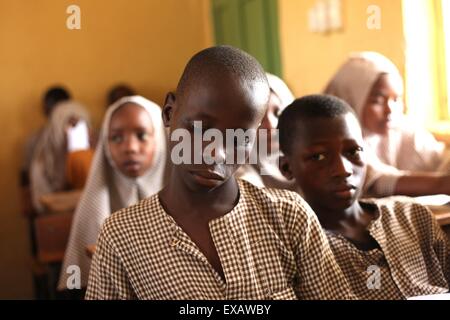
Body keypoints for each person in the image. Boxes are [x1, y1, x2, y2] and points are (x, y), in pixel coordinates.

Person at [85, 46, 353, 300]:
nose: (217, 154)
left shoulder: (289, 217)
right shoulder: (122, 237)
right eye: (200, 129)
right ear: (169, 113)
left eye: (239, 139)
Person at [278, 94, 450, 299]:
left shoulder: (411, 215)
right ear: (287, 168)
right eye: (319, 157)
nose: (343, 170)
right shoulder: (297, 245)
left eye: (353, 151)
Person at [58, 95, 168, 292]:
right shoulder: (94, 206)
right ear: (106, 146)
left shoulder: (191, 201)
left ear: (159, 139)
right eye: (116, 138)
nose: (130, 148)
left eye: (142, 135)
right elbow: (79, 283)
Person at [324, 52, 450, 197]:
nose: (390, 109)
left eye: (396, 99)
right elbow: (376, 181)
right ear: (351, 98)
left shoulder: (401, 129)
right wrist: (440, 184)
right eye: (377, 101)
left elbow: (439, 158)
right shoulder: (336, 139)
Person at [29, 98, 92, 213]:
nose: (74, 133)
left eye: (79, 126)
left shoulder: (90, 155)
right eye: (70, 126)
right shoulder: (42, 163)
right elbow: (42, 204)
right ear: (56, 129)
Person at [236, 73, 297, 191]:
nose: (270, 125)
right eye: (260, 116)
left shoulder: (307, 165)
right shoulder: (242, 179)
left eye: (277, 113)